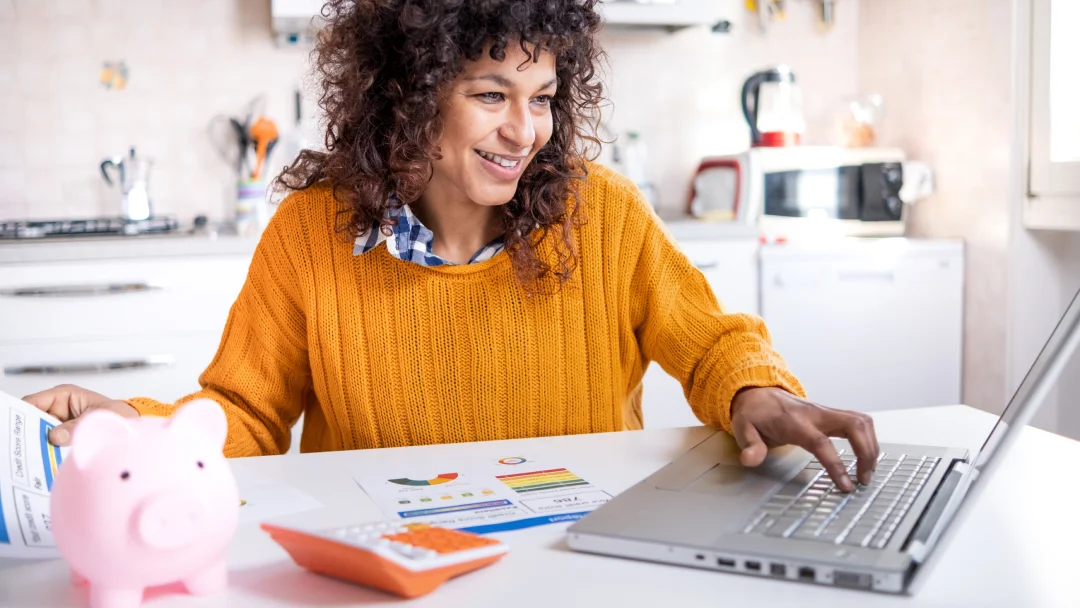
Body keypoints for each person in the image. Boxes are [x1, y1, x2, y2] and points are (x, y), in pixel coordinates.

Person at [23, 0, 877, 491]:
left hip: (573, 564)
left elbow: (709, 341)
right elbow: (243, 414)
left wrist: (752, 391)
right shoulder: (312, 235)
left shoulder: (601, 215)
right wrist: (132, 426)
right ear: (411, 96)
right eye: (491, 94)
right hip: (383, 579)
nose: (524, 131)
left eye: (542, 98)